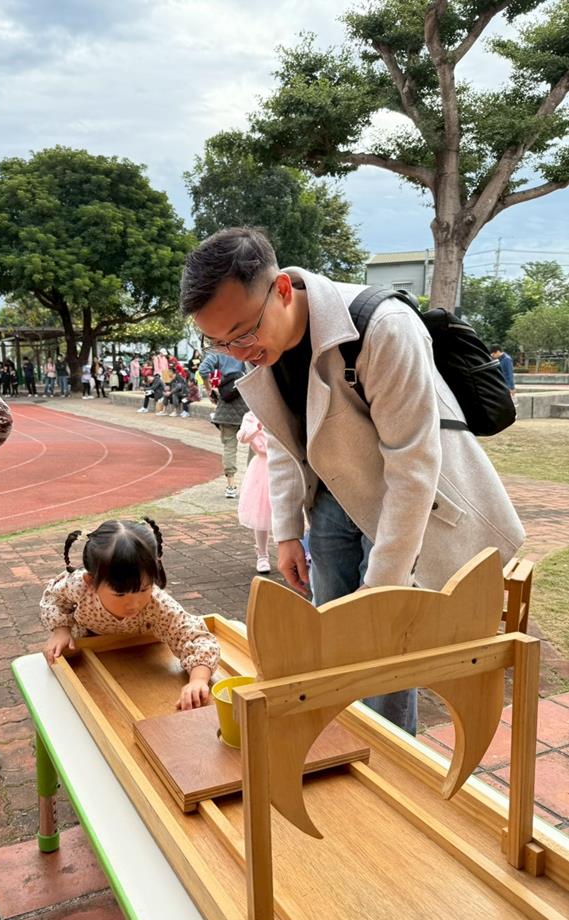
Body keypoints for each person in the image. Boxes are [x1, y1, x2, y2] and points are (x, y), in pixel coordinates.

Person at [181, 227, 525, 735]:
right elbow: (283, 441)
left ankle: (387, 758)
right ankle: (338, 743)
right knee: (331, 641)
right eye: (219, 342)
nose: (237, 351)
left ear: (281, 290)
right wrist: (287, 533)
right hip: (331, 502)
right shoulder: (264, 349)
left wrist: (382, 590)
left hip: (401, 506)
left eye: (242, 333)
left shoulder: (382, 326)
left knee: (383, 644)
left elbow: (413, 465)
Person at [40, 518, 220, 710]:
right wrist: (61, 630)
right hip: (86, 650)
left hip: (137, 654)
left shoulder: (157, 604)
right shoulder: (78, 586)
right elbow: (54, 598)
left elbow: (195, 637)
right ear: (91, 582)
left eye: (143, 589)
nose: (134, 603)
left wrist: (198, 680)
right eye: (120, 594)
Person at [198, 349, 249, 498]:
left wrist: (209, 389)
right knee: (257, 445)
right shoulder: (247, 345)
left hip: (227, 400)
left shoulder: (219, 350)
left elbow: (203, 370)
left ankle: (231, 486)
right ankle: (255, 484)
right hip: (248, 399)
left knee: (229, 446)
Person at [237, 411, 272, 574]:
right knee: (261, 511)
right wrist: (257, 426)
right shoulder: (251, 416)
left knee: (289, 511)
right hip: (263, 467)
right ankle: (262, 554)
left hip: (286, 463)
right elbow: (242, 437)